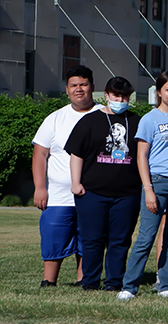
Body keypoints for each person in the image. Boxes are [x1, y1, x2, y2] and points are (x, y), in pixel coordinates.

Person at [119, 72, 168, 299]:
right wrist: (148, 189)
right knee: (146, 237)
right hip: (157, 182)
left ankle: (165, 283)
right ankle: (129, 286)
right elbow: (141, 157)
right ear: (159, 92)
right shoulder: (149, 119)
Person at [66, 76, 142, 291]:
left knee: (120, 241)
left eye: (125, 96)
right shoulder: (89, 121)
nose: (121, 99)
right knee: (93, 240)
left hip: (127, 194)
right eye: (116, 95)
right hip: (92, 193)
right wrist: (76, 182)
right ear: (106, 95)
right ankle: (90, 282)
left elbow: (143, 156)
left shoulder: (136, 121)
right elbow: (76, 154)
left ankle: (115, 282)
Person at [32, 65, 100, 287]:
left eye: (83, 84)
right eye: (74, 85)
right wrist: (40, 187)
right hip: (59, 195)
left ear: (92, 87)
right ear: (67, 89)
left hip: (93, 193)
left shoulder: (103, 116)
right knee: (53, 236)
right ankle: (48, 281)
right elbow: (40, 154)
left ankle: (84, 280)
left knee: (88, 240)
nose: (79, 89)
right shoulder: (55, 118)